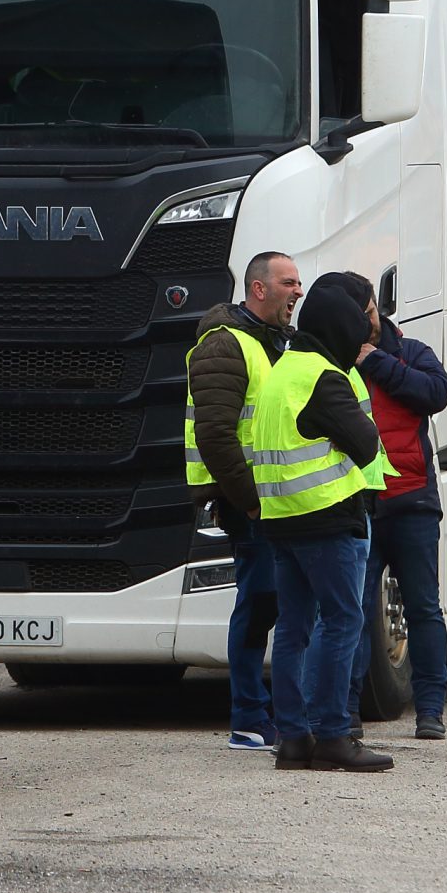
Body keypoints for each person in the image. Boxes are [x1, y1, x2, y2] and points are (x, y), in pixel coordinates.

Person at [263, 273, 391, 774]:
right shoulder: (323, 376)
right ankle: (334, 735)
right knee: (342, 623)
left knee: (293, 629)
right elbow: (366, 444)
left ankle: (294, 738)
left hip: (282, 518)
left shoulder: (282, 370)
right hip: (328, 516)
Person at [188, 250, 301, 753]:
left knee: (274, 603)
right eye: (288, 282)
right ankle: (249, 720)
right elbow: (215, 436)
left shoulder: (272, 342)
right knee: (258, 606)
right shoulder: (226, 345)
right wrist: (251, 502)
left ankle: (264, 715)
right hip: (252, 503)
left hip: (274, 501)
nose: (298, 291)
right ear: (259, 289)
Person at [342, 279, 447, 741]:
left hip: (412, 501)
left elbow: (437, 393)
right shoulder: (331, 361)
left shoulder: (410, 351)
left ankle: (430, 710)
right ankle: (345, 711)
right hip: (358, 505)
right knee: (351, 611)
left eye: (370, 311)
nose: (367, 322)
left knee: (424, 608)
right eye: (358, 315)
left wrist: (379, 362)